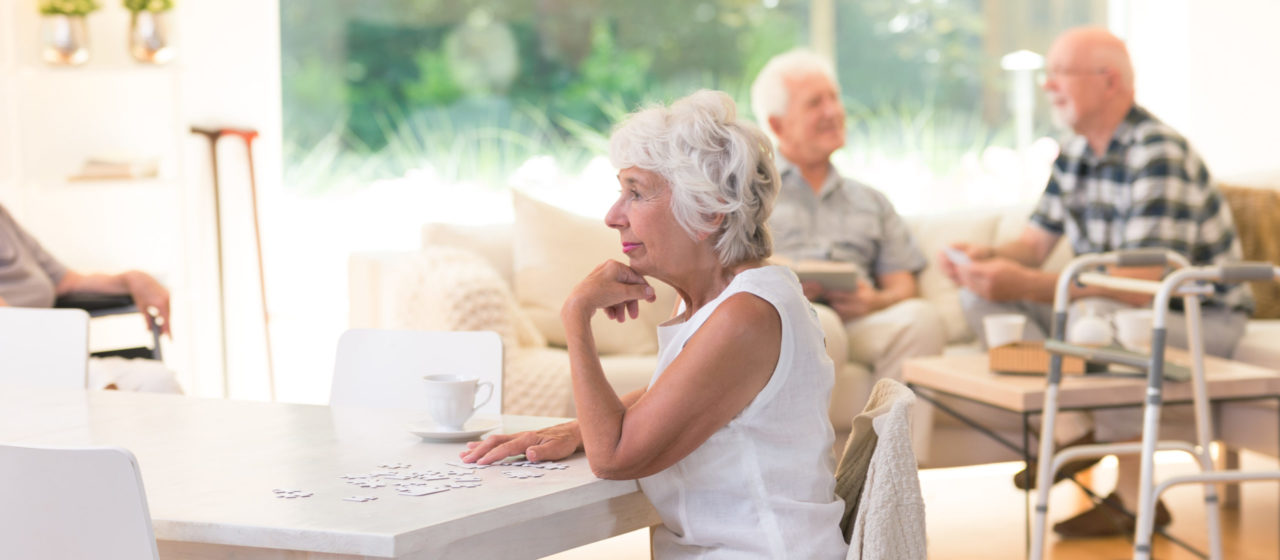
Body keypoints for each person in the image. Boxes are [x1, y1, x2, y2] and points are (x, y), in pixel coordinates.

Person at [461, 90, 848, 558]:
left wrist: (576, 316)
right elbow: (675, 391)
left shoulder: (746, 315)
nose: (612, 216)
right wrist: (578, 428)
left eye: (636, 192)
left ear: (708, 211)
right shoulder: (730, 299)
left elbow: (614, 458)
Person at [940, 27, 1253, 538]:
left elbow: (1139, 285)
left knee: (1103, 318)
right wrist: (985, 258)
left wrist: (1023, 282)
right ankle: (1070, 428)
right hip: (1113, 308)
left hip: (1199, 319)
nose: (1047, 86)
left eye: (1059, 72)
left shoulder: (1158, 153)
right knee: (982, 294)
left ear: (1109, 83)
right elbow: (1033, 245)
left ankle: (1130, 495)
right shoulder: (1077, 151)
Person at [749, 49, 946, 389]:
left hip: (860, 323)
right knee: (819, 324)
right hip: (785, 323)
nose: (833, 112)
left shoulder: (870, 200)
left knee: (921, 320)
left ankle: (893, 444)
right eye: (814, 103)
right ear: (777, 125)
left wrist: (874, 301)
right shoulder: (750, 194)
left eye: (834, 99)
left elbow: (902, 284)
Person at [0, 202, 182, 393]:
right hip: (20, 362)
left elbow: (66, 281)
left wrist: (130, 279)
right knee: (99, 388)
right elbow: (12, 329)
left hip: (47, 355)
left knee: (158, 382)